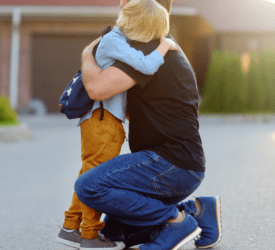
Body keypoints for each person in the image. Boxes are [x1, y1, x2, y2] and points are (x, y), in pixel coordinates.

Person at [75, 0, 223, 249]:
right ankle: (197, 210)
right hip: (179, 165)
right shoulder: (161, 44)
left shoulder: (147, 50)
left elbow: (96, 88)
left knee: (89, 187)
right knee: (116, 230)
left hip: (170, 165)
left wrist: (87, 56)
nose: (122, 4)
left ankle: (176, 220)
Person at [57, 0, 178, 249]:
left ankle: (70, 226)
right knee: (94, 179)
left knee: (88, 174)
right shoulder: (114, 40)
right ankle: (88, 235)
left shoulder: (116, 40)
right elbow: (146, 65)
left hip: (104, 121)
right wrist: (165, 45)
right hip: (102, 121)